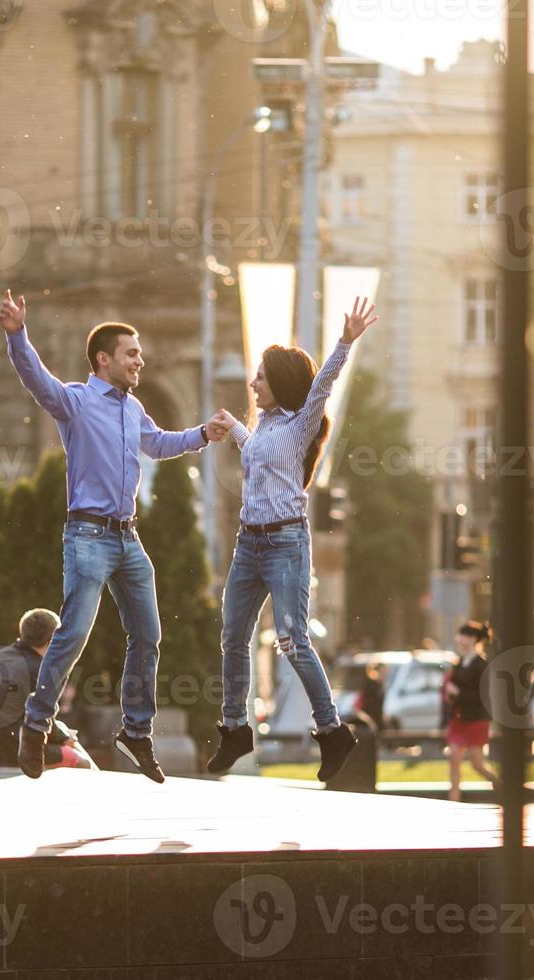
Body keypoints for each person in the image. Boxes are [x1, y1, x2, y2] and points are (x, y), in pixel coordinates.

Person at [0, 290, 232, 782]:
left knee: (148, 634)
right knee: (75, 633)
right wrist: (18, 334)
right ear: (104, 359)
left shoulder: (132, 408)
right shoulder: (77, 402)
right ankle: (36, 724)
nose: (140, 360)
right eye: (131, 353)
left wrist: (201, 435)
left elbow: (159, 442)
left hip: (128, 541)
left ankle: (137, 732)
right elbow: (35, 380)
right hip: (87, 536)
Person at [204, 297, 377, 782]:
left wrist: (345, 341)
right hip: (248, 544)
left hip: (284, 544)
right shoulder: (263, 426)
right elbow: (255, 451)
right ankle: (235, 728)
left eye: (260, 376)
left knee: (291, 639)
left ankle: (332, 732)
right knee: (233, 637)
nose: (253, 383)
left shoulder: (302, 423)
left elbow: (323, 383)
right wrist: (231, 425)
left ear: (280, 381)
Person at [0, 609, 93, 770]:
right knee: (80, 761)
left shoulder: (3, 655)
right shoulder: (39, 670)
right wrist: (64, 738)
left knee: (64, 731)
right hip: (16, 751)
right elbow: (42, 719)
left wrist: (63, 735)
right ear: (52, 640)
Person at [443, 620, 498, 802]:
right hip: (459, 719)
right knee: (453, 758)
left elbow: (481, 694)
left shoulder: (481, 664)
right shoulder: (459, 662)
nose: (460, 639)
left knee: (477, 764)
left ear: (473, 639)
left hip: (476, 719)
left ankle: (500, 784)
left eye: (464, 636)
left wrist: (459, 693)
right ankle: (454, 800)